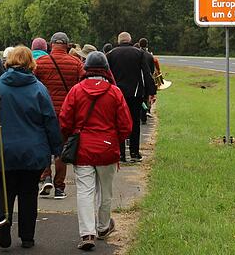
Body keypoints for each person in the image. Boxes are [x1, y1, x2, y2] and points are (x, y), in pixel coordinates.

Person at [58, 51, 132, 251]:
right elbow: (126, 124)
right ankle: (103, 226)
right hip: (108, 148)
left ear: (86, 69)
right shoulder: (114, 92)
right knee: (105, 192)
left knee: (84, 191)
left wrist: (68, 138)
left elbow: (64, 120)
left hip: (83, 148)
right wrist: (115, 140)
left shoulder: (76, 90)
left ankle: (87, 233)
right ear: (106, 70)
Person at [0, 46, 63, 249]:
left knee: (2, 189)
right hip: (32, 149)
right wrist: (57, 148)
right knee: (28, 193)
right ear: (31, 63)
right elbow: (50, 120)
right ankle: (27, 236)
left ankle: (4, 225)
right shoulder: (39, 89)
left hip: (3, 149)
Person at [33, 31, 85, 199]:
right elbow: (82, 87)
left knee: (43, 147)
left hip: (44, 112)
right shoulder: (76, 63)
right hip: (66, 113)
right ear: (67, 45)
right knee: (61, 150)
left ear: (51, 44)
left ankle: (46, 176)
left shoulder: (40, 63)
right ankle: (60, 187)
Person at [107, 32, 156, 162]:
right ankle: (134, 152)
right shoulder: (139, 53)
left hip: (116, 94)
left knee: (118, 123)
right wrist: (152, 91)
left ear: (118, 41)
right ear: (130, 40)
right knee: (134, 123)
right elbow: (146, 73)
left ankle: (121, 153)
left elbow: (107, 74)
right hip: (135, 93)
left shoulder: (111, 54)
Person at [137, 38, 157, 123]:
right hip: (147, 78)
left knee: (138, 97)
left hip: (138, 78)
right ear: (147, 45)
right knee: (145, 97)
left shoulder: (137, 54)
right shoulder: (149, 55)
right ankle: (144, 116)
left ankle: (139, 114)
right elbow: (152, 70)